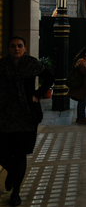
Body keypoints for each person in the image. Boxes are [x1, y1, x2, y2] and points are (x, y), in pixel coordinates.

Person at [0, 36, 54, 206]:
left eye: (19, 46)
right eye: (13, 46)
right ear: (8, 48)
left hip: (27, 115)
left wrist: (37, 95)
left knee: (21, 154)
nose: (16, 49)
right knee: (3, 153)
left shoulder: (32, 64)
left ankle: (15, 193)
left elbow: (50, 78)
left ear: (25, 48)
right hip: (5, 114)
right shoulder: (2, 66)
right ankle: (10, 172)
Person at [66, 47, 86, 125]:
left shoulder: (84, 60)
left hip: (84, 83)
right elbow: (85, 71)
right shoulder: (81, 61)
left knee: (82, 100)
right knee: (82, 100)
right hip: (82, 84)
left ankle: (81, 116)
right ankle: (81, 117)